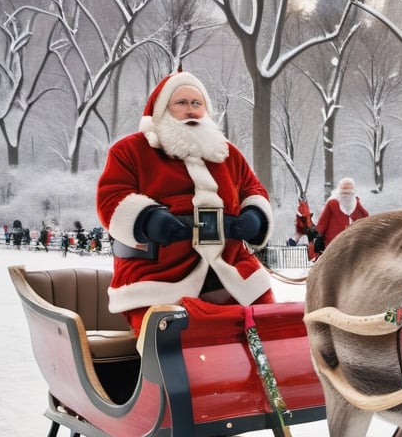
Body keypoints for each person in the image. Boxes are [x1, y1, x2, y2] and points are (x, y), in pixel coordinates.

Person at [97, 72, 275, 334]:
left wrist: (255, 216)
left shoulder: (226, 154)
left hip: (229, 266)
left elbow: (252, 189)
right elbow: (111, 198)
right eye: (181, 103)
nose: (190, 110)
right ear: (160, 110)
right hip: (160, 273)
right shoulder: (130, 151)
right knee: (181, 338)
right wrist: (148, 219)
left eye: (196, 103)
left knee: (272, 325)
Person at [314, 177, 369, 253]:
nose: (346, 195)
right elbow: (323, 221)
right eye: (344, 192)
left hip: (352, 244)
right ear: (339, 191)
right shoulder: (332, 203)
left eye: (348, 193)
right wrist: (319, 236)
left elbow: (365, 218)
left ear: (353, 192)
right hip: (333, 243)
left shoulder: (356, 203)